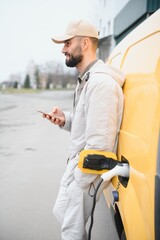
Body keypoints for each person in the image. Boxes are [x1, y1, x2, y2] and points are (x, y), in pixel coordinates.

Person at [43, 19, 125, 240]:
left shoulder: (101, 84)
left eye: (67, 43)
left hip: (83, 175)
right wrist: (65, 120)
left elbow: (100, 144)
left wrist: (77, 183)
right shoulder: (87, 80)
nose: (63, 49)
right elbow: (89, 122)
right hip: (76, 168)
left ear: (85, 43)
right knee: (60, 212)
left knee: (72, 234)